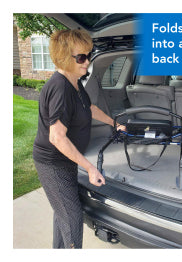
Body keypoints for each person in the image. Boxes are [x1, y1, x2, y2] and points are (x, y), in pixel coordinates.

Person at [33, 29, 126, 249]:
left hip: (64, 162)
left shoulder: (74, 84)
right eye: (81, 57)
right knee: (72, 218)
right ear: (65, 58)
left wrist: (115, 123)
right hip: (53, 164)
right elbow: (57, 137)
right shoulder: (60, 88)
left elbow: (90, 108)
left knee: (63, 212)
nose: (87, 62)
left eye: (89, 56)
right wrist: (90, 168)